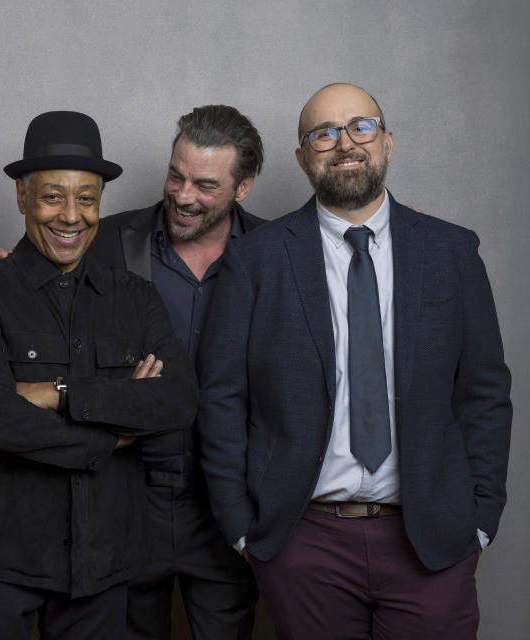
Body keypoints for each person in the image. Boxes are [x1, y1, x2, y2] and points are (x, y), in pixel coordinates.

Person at [199, 82, 512, 639]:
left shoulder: (452, 252)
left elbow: (483, 393)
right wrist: (243, 530)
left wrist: (481, 520)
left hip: (432, 539)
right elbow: (223, 397)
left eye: (360, 127)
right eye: (322, 133)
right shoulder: (256, 259)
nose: (344, 143)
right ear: (301, 158)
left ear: (387, 141)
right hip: (303, 540)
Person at [0, 110, 197, 640]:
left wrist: (59, 393)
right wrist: (113, 433)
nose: (71, 216)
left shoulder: (136, 298)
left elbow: (176, 401)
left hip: (104, 560)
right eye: (53, 196)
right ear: (22, 197)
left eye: (86, 198)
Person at [89, 105, 264, 640]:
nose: (183, 195)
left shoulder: (278, 255)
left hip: (229, 508)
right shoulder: (106, 243)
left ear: (244, 187)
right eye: (176, 175)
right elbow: (38, 306)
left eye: (205, 185)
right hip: (124, 501)